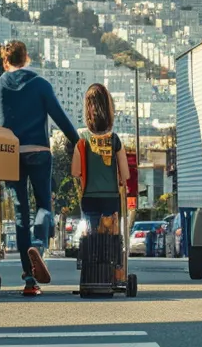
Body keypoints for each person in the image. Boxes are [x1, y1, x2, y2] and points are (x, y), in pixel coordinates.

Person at [0, 40, 81, 297]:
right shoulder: (40, 85)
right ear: (26, 58)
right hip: (39, 152)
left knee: (20, 214)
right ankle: (38, 245)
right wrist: (81, 145)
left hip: (9, 155)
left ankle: (29, 278)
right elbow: (61, 118)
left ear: (5, 61)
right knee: (45, 206)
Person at [71, 83, 129, 292]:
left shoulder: (82, 141)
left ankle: (91, 272)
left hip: (89, 197)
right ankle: (114, 274)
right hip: (111, 197)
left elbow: (76, 171)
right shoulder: (115, 140)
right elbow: (126, 175)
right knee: (111, 235)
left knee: (91, 234)